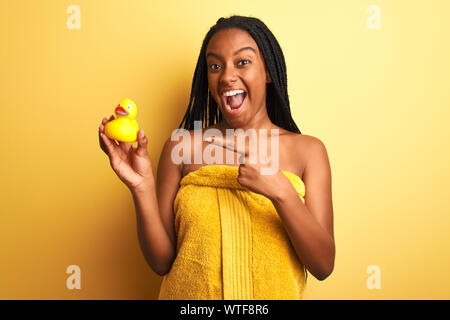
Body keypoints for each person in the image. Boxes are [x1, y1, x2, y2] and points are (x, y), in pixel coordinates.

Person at [98, 15, 334, 300]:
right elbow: (161, 262)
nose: (226, 76)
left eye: (243, 62)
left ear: (268, 72)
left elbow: (322, 264)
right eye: (215, 66)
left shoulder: (308, 151)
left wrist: (281, 190)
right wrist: (142, 186)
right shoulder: (181, 147)